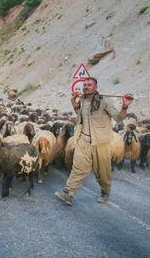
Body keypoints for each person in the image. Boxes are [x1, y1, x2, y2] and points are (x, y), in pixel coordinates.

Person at [54, 77, 133, 206]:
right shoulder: (82, 100)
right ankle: (69, 193)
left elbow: (118, 118)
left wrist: (125, 105)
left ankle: (105, 191)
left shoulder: (104, 101)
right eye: (84, 85)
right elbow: (80, 114)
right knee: (77, 168)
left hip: (101, 143)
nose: (85, 87)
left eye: (89, 85)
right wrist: (73, 101)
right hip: (83, 140)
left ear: (95, 87)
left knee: (102, 171)